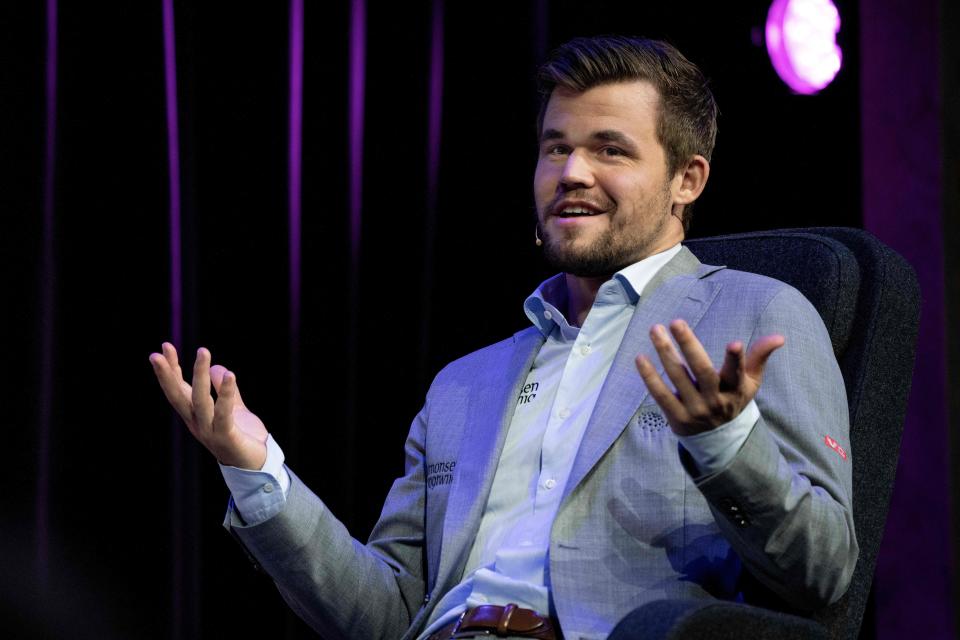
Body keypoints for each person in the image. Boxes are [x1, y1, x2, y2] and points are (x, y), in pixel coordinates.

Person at [150, 36, 857, 640]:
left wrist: (725, 442)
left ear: (686, 179)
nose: (571, 173)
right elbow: (387, 615)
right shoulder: (465, 384)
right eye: (557, 148)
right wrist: (257, 469)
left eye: (610, 150)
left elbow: (824, 573)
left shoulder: (756, 315)